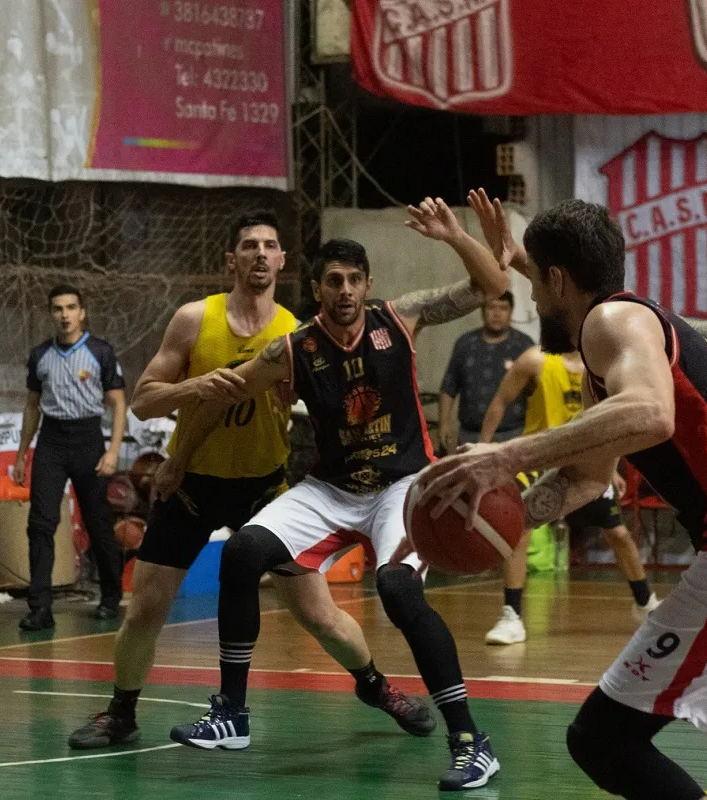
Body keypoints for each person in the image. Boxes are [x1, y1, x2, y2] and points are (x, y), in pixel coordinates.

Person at [419, 193, 707, 799]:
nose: (534, 305)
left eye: (537, 287)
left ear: (557, 279)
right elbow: (587, 478)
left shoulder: (611, 322)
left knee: (601, 739)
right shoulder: (637, 335)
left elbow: (651, 415)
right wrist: (503, 516)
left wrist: (506, 454)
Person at [154, 196, 509, 791]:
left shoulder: (401, 318)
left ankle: (472, 741)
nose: (344, 289)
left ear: (368, 284)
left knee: (397, 589)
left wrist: (454, 236)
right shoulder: (291, 349)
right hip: (331, 488)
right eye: (333, 281)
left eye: (354, 280)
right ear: (317, 289)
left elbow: (493, 281)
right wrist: (171, 434)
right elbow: (218, 399)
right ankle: (232, 716)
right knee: (242, 553)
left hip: (402, 485)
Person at [66, 211, 431, 750]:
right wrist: (194, 391)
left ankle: (377, 688)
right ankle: (121, 713)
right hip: (190, 484)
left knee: (317, 613)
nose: (260, 253)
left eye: (270, 245)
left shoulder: (298, 336)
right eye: (248, 245)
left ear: (283, 261)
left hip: (264, 489)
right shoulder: (194, 319)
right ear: (230, 260)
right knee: (144, 607)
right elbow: (143, 400)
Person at [479, 344, 659, 645]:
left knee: (618, 534)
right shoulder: (535, 360)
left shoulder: (599, 368)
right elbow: (500, 401)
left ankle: (645, 603)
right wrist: (485, 452)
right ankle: (511, 615)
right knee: (518, 533)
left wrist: (610, 468)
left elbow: (608, 425)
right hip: (537, 459)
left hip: (584, 463)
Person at [13, 284, 125, 632]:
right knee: (40, 524)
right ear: (51, 313)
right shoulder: (40, 355)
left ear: (82, 312)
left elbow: (119, 403)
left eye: (71, 308)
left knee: (98, 523)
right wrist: (21, 456)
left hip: (88, 439)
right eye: (57, 308)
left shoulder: (100, 352)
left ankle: (110, 597)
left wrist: (113, 451)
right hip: (51, 441)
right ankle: (40, 607)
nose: (64, 315)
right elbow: (32, 405)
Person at [438, 291, 534, 451]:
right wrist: (444, 424)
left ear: (511, 311)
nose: (497, 314)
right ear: (482, 310)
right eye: (491, 307)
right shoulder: (465, 343)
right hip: (470, 436)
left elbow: (537, 389)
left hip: (513, 435)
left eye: (503, 308)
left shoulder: (524, 345)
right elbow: (449, 387)